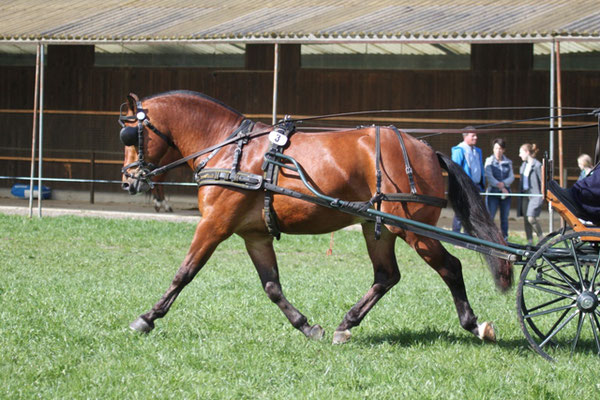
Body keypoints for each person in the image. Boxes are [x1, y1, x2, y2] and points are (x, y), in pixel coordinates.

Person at [451, 126, 485, 234]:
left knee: (473, 212)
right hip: (464, 187)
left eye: (476, 135)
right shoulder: (459, 150)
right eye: (473, 135)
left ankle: (468, 235)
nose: (476, 137)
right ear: (465, 136)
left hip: (476, 185)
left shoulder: (477, 151)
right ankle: (456, 236)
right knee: (461, 211)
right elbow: (455, 170)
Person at [484, 138, 514, 240]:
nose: (498, 150)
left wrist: (504, 184)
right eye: (496, 148)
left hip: (506, 193)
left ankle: (505, 238)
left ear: (504, 150)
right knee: (490, 216)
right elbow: (489, 176)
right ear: (493, 149)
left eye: (500, 148)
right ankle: (488, 237)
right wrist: (500, 186)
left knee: (504, 217)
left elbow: (511, 177)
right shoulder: (489, 161)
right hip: (493, 192)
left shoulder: (508, 162)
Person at [518, 143, 544, 245]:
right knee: (525, 219)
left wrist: (542, 195)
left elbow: (542, 181)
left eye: (521, 152)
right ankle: (529, 240)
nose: (519, 155)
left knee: (531, 217)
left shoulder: (537, 165)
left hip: (535, 195)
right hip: (525, 195)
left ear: (527, 152)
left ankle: (541, 237)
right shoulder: (523, 165)